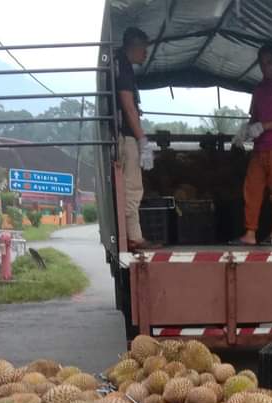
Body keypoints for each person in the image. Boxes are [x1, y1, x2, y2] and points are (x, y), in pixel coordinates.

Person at [232, 44, 272, 246]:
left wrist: (265, 126)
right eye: (262, 64)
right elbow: (254, 118)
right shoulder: (258, 90)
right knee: (251, 189)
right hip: (260, 149)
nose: (265, 67)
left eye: (269, 63)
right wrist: (244, 131)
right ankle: (250, 233)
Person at [116, 27, 159, 250]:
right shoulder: (123, 67)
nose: (145, 54)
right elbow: (128, 105)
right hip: (126, 137)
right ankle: (133, 237)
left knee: (130, 188)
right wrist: (142, 140)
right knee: (132, 188)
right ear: (134, 46)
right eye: (144, 49)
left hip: (125, 135)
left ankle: (133, 235)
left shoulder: (119, 64)